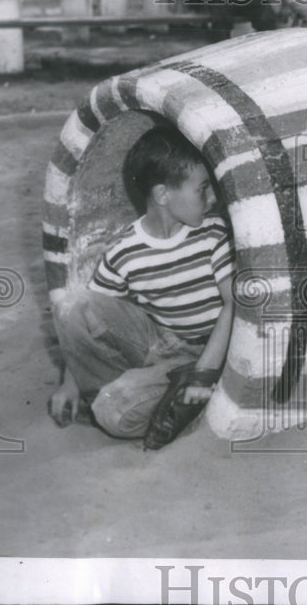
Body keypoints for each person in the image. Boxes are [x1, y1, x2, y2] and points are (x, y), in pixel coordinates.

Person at [47, 127, 235, 446]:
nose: (213, 198)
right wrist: (70, 384)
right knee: (70, 306)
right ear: (162, 195)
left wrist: (202, 373)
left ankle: (195, 396)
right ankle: (145, 390)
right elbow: (92, 312)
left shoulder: (213, 234)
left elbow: (235, 303)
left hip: (210, 352)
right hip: (161, 345)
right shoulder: (125, 250)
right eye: (202, 189)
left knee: (112, 414)